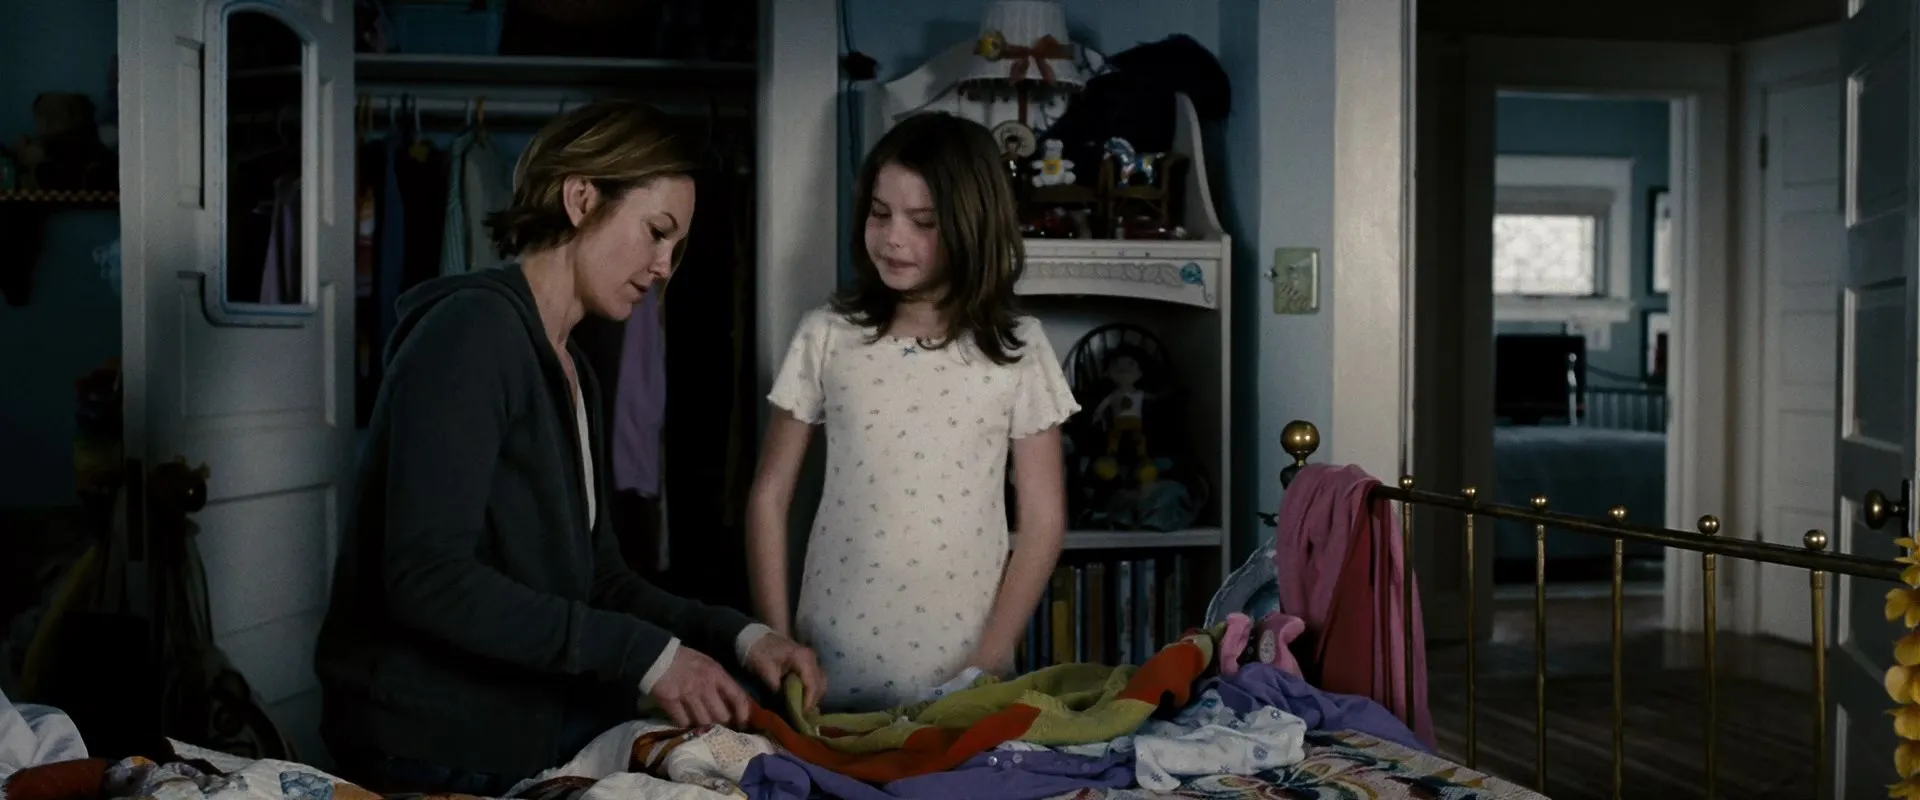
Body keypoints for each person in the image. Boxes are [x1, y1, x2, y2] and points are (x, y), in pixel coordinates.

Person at [313, 100, 825, 796]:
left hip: (516, 720)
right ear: (582, 198)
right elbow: (427, 577)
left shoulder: (573, 367)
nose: (665, 266)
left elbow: (599, 579)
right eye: (656, 233)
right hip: (426, 737)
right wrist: (648, 657)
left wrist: (742, 636)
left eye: (675, 247)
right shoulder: (471, 333)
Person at [745, 112, 1080, 713]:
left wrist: (988, 659)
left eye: (922, 221)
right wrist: (776, 641)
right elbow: (770, 496)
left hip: (962, 678)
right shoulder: (827, 335)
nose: (893, 238)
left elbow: (1043, 521)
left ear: (972, 225)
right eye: (880, 214)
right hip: (825, 669)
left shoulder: (1020, 350)